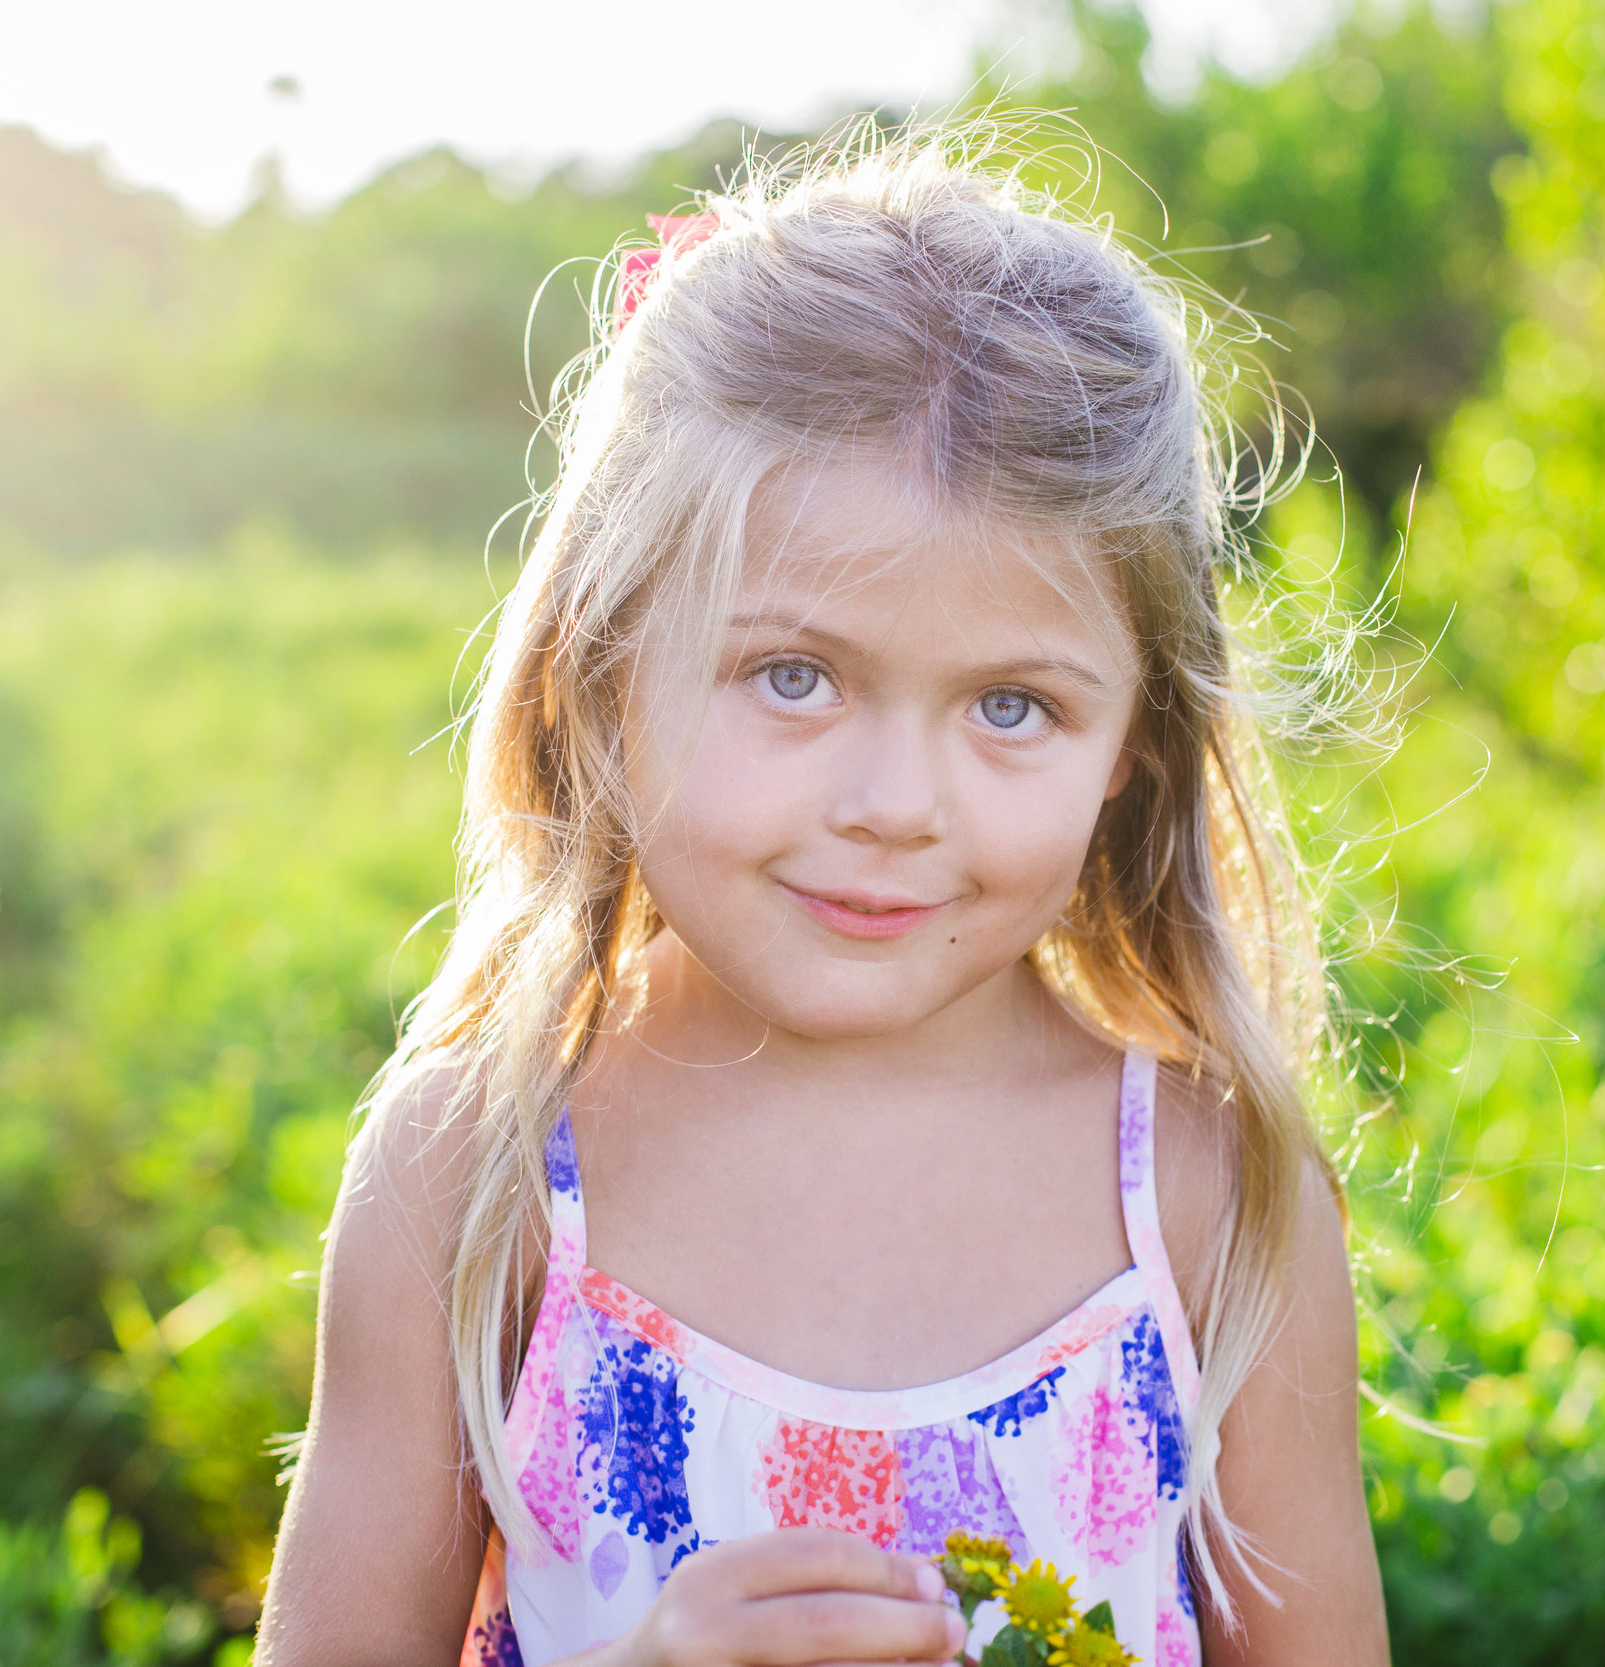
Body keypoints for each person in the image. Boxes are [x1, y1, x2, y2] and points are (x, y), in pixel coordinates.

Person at [258, 124, 1389, 1667]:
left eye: (1013, 708)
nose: (894, 807)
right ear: (606, 670)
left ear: (1133, 741)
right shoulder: (478, 1180)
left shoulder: (1204, 1198)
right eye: (794, 677)